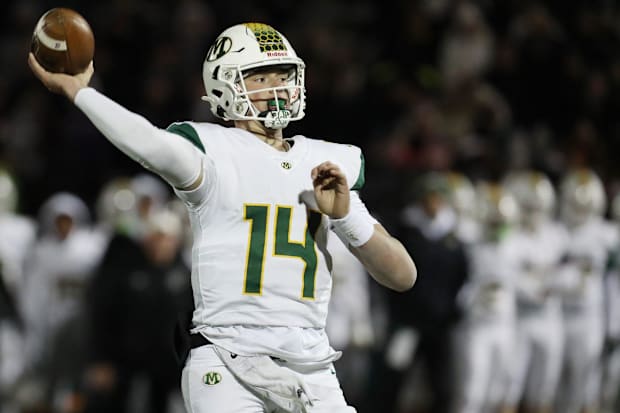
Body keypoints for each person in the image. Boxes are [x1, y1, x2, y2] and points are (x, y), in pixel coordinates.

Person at [28, 22, 417, 413]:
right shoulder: (211, 153)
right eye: (261, 77)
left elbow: (402, 276)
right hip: (227, 360)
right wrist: (83, 95)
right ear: (225, 85)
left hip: (311, 363)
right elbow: (147, 141)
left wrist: (346, 217)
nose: (277, 88)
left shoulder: (327, 162)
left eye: (283, 75)